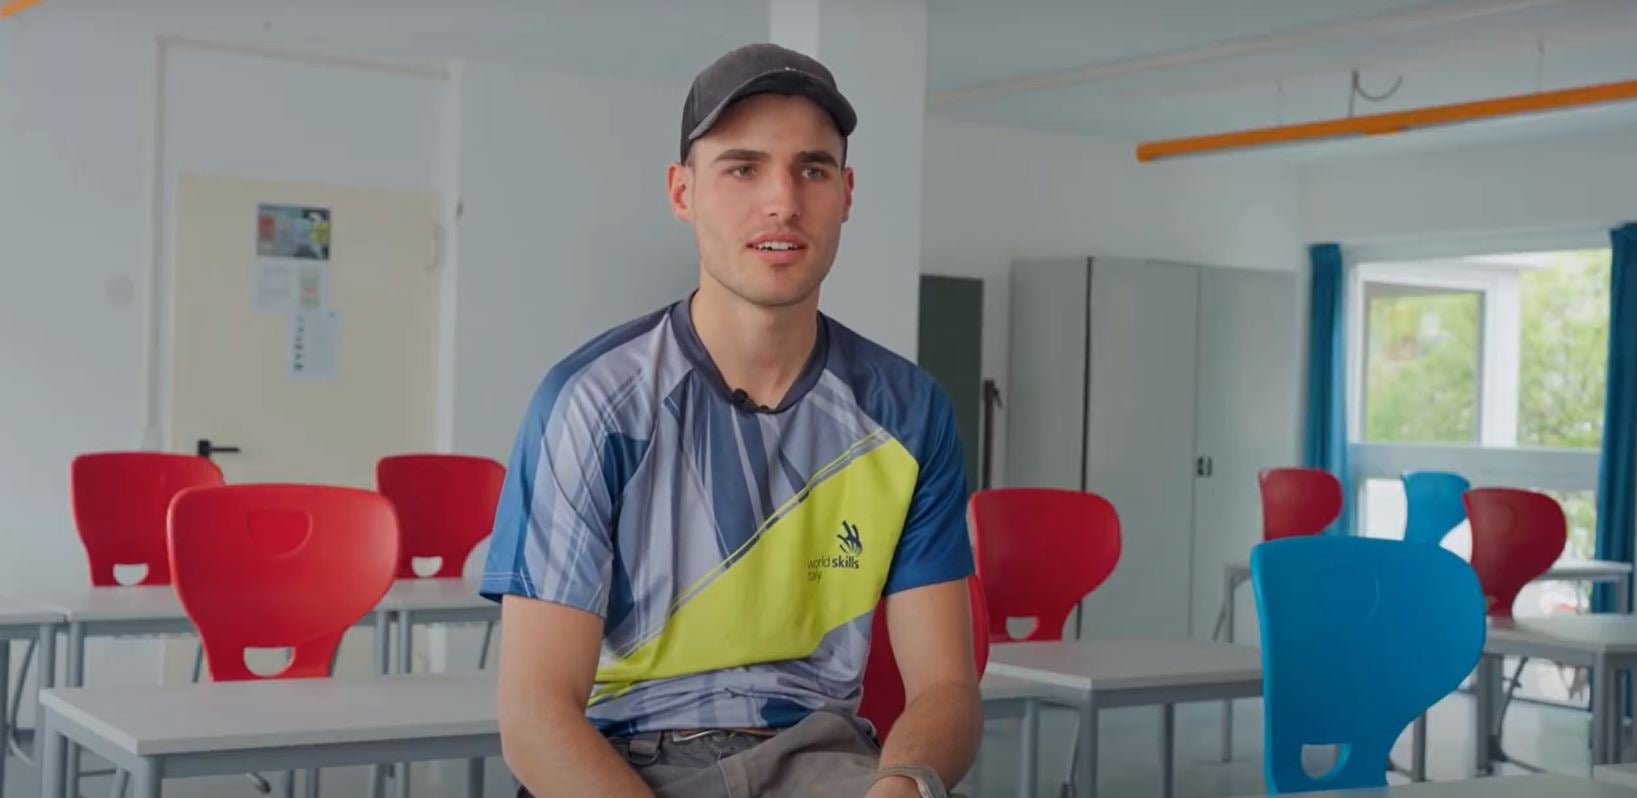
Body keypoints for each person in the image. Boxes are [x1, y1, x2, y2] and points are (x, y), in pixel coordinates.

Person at [481, 42, 980, 798]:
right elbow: (533, 714)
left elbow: (945, 686)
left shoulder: (907, 411)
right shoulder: (593, 402)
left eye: (811, 169)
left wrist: (903, 786)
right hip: (623, 763)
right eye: (741, 168)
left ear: (846, 193)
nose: (781, 200)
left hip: (823, 762)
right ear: (681, 193)